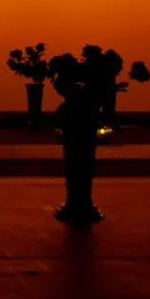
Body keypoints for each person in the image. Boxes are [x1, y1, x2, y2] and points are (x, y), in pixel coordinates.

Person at [50, 53, 106, 224]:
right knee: (81, 167)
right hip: (82, 130)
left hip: (78, 130)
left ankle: (77, 203)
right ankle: (79, 202)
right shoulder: (83, 93)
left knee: (76, 167)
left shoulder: (76, 94)